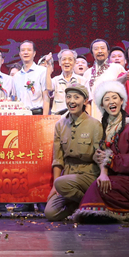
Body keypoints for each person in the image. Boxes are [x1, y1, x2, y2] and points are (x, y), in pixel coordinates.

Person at [73, 82, 129, 222]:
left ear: (122, 101)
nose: (111, 102)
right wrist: (96, 158)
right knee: (90, 184)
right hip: (106, 174)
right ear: (102, 105)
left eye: (115, 98)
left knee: (100, 187)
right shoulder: (101, 127)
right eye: (107, 99)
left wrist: (112, 160)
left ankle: (116, 214)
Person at [44, 86, 103, 221]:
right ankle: (84, 205)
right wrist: (55, 186)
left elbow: (100, 156)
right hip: (67, 178)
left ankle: (90, 202)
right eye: (68, 97)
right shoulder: (60, 125)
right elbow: (58, 159)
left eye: (76, 97)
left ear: (85, 101)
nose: (71, 101)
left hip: (88, 175)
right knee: (50, 213)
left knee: (62, 184)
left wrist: (103, 177)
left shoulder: (95, 125)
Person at [81, 39, 126, 118]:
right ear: (92, 53)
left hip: (113, 115)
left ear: (108, 51)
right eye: (96, 49)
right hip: (94, 116)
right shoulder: (87, 73)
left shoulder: (117, 68)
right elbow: (86, 100)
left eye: (102, 48)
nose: (100, 51)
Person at [11, 41, 50, 115]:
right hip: (20, 115)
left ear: (34, 53)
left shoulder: (42, 71)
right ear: (20, 54)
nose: (26, 52)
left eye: (29, 50)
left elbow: (46, 97)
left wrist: (44, 118)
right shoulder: (16, 76)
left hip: (37, 114)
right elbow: (15, 99)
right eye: (23, 50)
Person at [49, 49, 81, 115]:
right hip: (58, 118)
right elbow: (48, 90)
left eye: (70, 59)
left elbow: (87, 103)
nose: (67, 62)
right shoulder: (54, 81)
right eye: (64, 59)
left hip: (77, 117)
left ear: (75, 62)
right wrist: (48, 68)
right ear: (59, 62)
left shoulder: (82, 81)